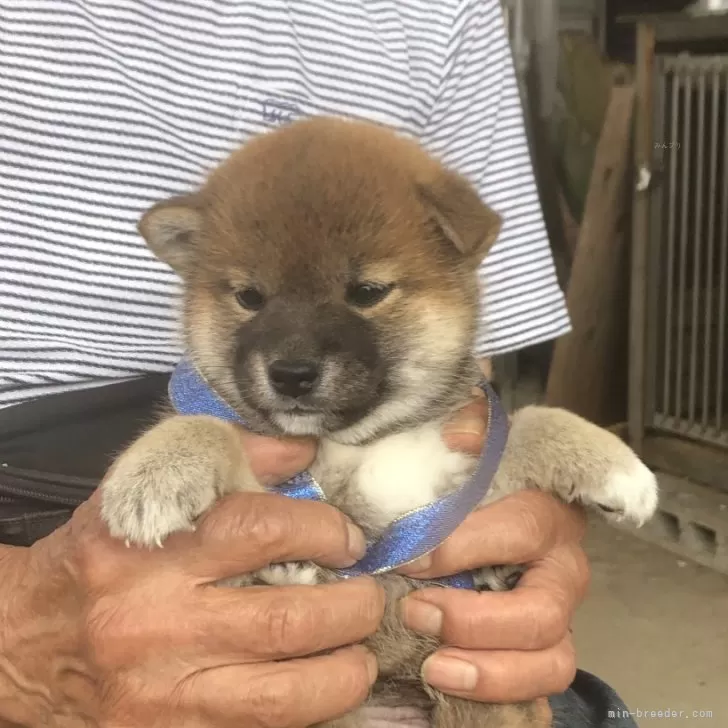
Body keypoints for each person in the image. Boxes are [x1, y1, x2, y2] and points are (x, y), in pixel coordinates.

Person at [0, 1, 637, 726]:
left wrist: (513, 534)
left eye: (366, 292)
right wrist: (14, 640)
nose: (294, 354)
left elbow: (465, 400)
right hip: (34, 517)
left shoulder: (444, 13)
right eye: (248, 296)